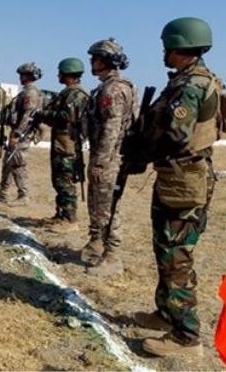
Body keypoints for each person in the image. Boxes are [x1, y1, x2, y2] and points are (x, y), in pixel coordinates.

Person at [132, 17, 223, 357]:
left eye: (166, 46)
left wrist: (143, 151)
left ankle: (187, 337)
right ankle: (167, 314)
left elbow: (176, 136)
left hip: (185, 182)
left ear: (178, 45)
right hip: (177, 178)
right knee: (165, 249)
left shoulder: (190, 86)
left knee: (176, 258)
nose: (163, 52)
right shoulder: (188, 79)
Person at [81, 38, 138, 275]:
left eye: (95, 59)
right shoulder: (105, 87)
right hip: (102, 156)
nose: (92, 63)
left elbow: (111, 129)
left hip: (109, 159)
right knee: (97, 204)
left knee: (108, 208)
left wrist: (101, 162)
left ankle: (112, 256)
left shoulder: (113, 89)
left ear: (105, 61)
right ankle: (97, 243)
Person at [38, 58, 89, 231]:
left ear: (68, 73)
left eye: (60, 72)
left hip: (68, 146)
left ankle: (70, 220)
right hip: (61, 143)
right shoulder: (67, 93)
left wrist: (44, 114)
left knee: (65, 183)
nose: (58, 75)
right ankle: (60, 214)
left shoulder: (77, 94)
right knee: (58, 181)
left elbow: (65, 118)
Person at [0, 62, 44, 206]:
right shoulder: (25, 91)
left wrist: (18, 134)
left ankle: (23, 195)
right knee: (8, 162)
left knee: (18, 163)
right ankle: (3, 192)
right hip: (17, 131)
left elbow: (28, 115)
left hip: (23, 134)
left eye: (23, 75)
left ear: (29, 76)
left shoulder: (31, 93)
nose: (20, 77)